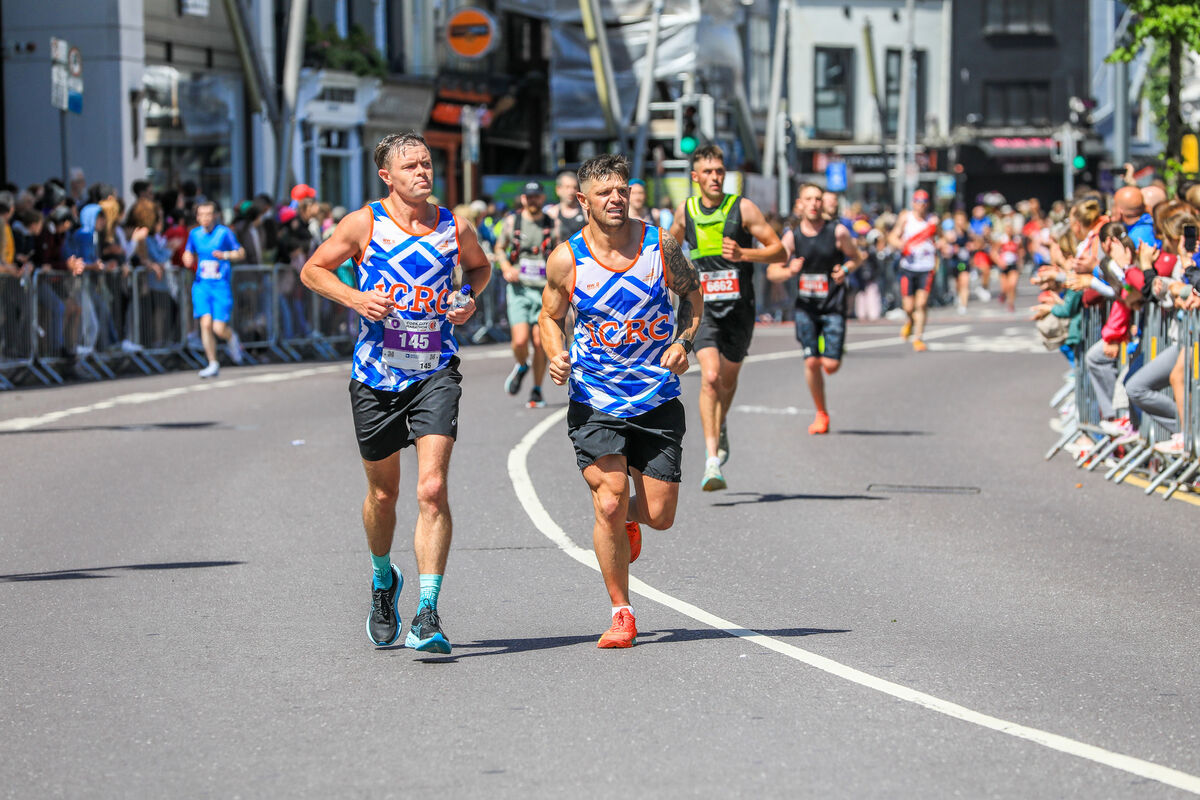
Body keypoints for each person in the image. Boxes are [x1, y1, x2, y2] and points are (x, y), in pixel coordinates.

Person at [299, 131, 491, 652]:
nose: (423, 173)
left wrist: (467, 299)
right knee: (384, 494)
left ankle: (427, 615)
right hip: (376, 374)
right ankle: (384, 579)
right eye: (411, 166)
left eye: (427, 164)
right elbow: (312, 269)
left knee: (431, 488)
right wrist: (356, 297)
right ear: (387, 176)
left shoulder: (454, 225)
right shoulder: (363, 223)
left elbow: (479, 267)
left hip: (435, 369)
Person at [538, 152, 702, 649]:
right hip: (596, 398)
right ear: (582, 200)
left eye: (622, 189)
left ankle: (632, 521)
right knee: (608, 500)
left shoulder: (661, 246)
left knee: (660, 515)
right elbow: (549, 317)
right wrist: (555, 353)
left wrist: (684, 340)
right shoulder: (567, 258)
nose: (616, 198)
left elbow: (693, 298)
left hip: (655, 397)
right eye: (605, 191)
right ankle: (622, 612)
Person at [668, 145, 785, 491]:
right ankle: (711, 461)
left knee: (728, 381)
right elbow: (667, 254)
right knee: (710, 377)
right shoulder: (684, 211)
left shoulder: (743, 208)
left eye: (719, 171)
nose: (715, 177)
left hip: (739, 309)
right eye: (708, 171)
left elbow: (780, 250)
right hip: (701, 308)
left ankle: (721, 425)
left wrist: (745, 253)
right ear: (695, 177)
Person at [772, 183, 863, 434]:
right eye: (809, 199)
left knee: (830, 366)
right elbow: (772, 270)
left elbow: (857, 257)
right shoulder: (792, 236)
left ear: (823, 204)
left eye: (818, 199)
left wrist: (844, 270)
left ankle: (830, 354)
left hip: (832, 305)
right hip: (805, 308)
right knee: (811, 362)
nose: (814, 203)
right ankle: (821, 413)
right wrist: (788, 270)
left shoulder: (837, 231)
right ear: (800, 204)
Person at [495, 181, 554, 408]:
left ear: (542, 198)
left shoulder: (551, 222)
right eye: (528, 197)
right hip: (519, 289)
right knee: (520, 340)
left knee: (540, 343)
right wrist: (506, 267)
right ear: (523, 199)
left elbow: (560, 250)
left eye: (536, 197)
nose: (532, 201)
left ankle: (537, 390)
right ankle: (521, 365)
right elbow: (500, 248)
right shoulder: (512, 222)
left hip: (543, 290)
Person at [181, 200, 245, 377]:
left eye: (208, 214)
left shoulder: (224, 233)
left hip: (220, 286)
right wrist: (187, 257)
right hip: (201, 285)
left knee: (218, 328)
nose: (205, 218)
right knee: (205, 323)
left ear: (215, 215)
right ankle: (212, 362)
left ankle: (231, 338)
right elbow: (188, 251)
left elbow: (241, 252)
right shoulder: (194, 234)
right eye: (201, 215)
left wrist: (225, 255)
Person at [887, 189, 940, 351]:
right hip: (909, 267)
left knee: (922, 303)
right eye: (918, 202)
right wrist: (900, 245)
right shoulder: (906, 218)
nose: (921, 206)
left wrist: (942, 243)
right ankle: (909, 321)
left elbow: (942, 237)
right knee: (909, 307)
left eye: (924, 203)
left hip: (926, 266)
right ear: (913, 203)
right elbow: (892, 237)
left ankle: (918, 337)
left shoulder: (933, 221)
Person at [546, 170, 587, 247]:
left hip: (582, 256)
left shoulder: (585, 212)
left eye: (574, 187)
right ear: (558, 189)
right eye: (567, 187)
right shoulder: (551, 213)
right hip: (560, 256)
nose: (571, 191)